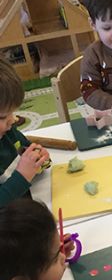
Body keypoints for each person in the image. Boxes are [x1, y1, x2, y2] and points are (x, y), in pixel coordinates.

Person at [0, 58, 51, 207]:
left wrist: (39, 161)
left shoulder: (9, 134)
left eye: (12, 112)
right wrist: (23, 176)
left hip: (29, 200)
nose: (13, 120)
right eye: (3, 117)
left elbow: (28, 153)